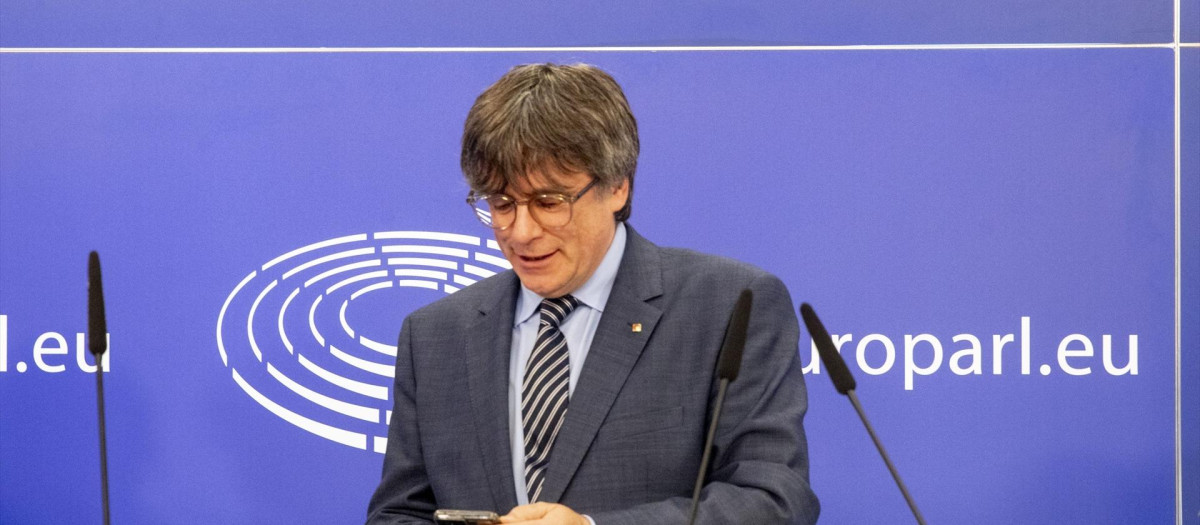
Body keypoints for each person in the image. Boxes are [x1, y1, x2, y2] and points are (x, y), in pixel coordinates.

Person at [367, 63, 819, 524]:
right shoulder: (435, 335)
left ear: (617, 187)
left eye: (549, 203)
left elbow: (773, 502)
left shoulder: (728, 307)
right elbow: (399, 513)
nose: (520, 232)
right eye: (501, 204)